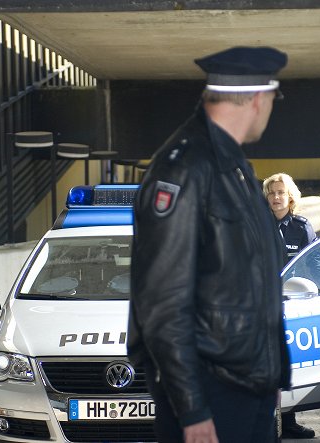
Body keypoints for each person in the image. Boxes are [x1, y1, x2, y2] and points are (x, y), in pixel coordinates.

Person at [128, 46, 291, 443]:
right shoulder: (184, 168)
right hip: (210, 393)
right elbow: (162, 303)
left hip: (246, 387)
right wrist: (193, 409)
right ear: (257, 98)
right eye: (273, 98)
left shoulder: (231, 165)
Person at [263, 172, 320, 439]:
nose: (276, 197)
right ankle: (262, 424)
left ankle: (288, 423)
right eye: (272, 192)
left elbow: (314, 263)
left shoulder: (301, 227)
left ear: (290, 196)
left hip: (294, 306)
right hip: (262, 308)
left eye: (280, 192)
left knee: (291, 366)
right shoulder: (257, 226)